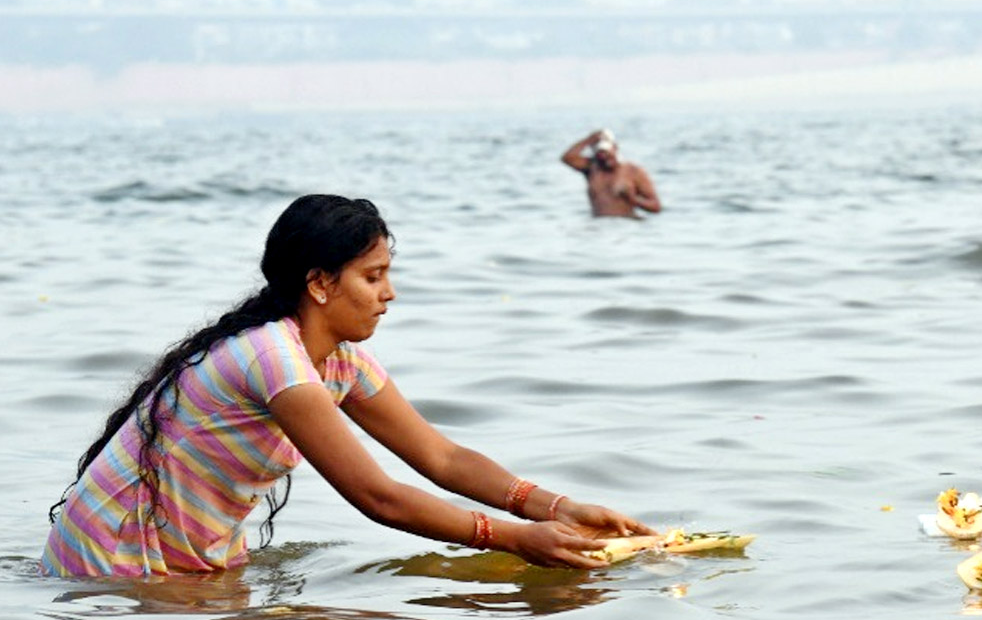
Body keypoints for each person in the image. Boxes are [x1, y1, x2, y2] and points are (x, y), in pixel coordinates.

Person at [43, 194, 654, 578]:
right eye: (374, 276)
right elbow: (377, 497)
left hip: (190, 563)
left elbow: (442, 457)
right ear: (320, 284)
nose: (389, 294)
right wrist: (517, 539)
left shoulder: (339, 364)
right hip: (111, 564)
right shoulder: (271, 357)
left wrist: (558, 507)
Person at [561, 129, 661, 218]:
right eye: (600, 154)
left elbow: (656, 207)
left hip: (627, 225)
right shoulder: (592, 168)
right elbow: (567, 158)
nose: (605, 157)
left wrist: (633, 199)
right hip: (599, 226)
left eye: (607, 153)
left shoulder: (633, 172)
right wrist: (589, 140)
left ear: (615, 148)